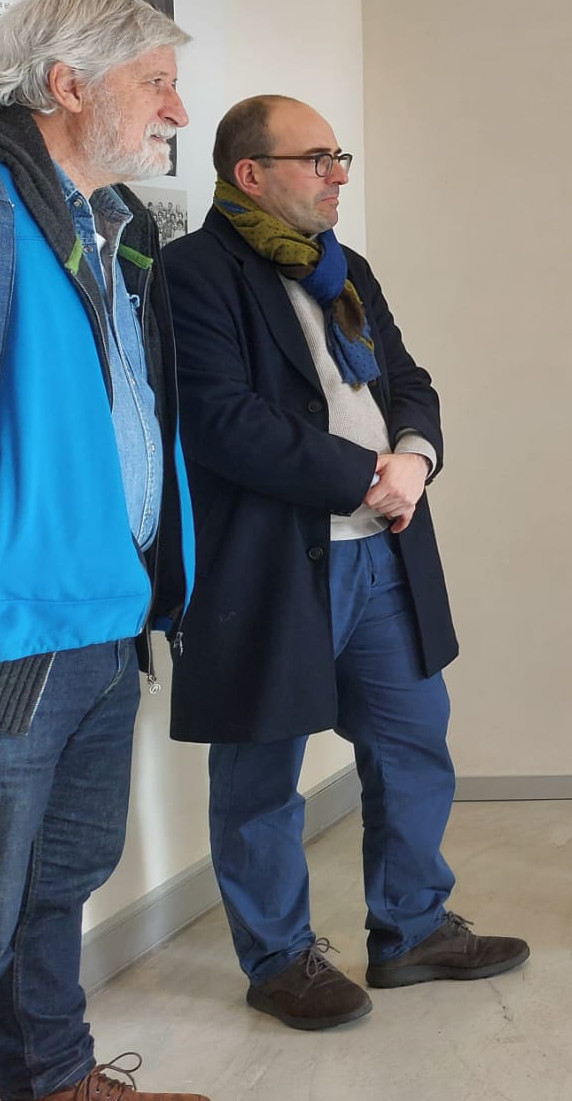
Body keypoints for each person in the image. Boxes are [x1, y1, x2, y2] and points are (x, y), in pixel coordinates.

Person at [164, 96, 527, 1030]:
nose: (338, 174)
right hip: (272, 563)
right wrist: (367, 476)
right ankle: (279, 959)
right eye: (318, 158)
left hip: (387, 554)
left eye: (341, 157)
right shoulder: (192, 272)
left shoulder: (344, 267)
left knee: (413, 746)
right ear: (251, 174)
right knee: (261, 770)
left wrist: (415, 457)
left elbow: (409, 380)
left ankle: (410, 931)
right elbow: (222, 421)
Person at [0, 0, 207, 1101]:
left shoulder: (117, 226)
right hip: (4, 628)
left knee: (57, 882)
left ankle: (54, 1080)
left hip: (107, 617)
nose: (177, 107)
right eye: (155, 82)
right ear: (68, 85)